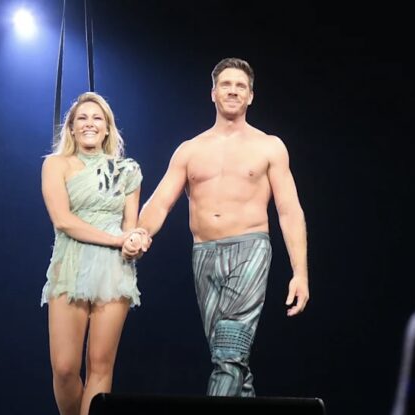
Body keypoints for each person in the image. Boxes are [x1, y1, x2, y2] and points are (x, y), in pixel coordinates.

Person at [123, 57, 310, 397]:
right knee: (232, 361)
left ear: (250, 96)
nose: (233, 91)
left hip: (250, 251)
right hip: (204, 255)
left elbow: (289, 211)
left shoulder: (269, 146)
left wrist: (300, 273)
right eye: (226, 85)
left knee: (229, 354)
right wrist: (140, 232)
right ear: (213, 93)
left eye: (241, 86)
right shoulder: (189, 150)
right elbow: (161, 201)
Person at [40, 92, 143, 415]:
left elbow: (130, 227)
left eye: (97, 118)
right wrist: (116, 240)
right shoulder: (55, 164)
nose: (89, 123)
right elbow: (63, 220)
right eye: (82, 118)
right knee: (64, 368)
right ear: (71, 128)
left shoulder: (127, 170)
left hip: (113, 270)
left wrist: (134, 242)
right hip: (70, 264)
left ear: (108, 128)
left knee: (100, 365)